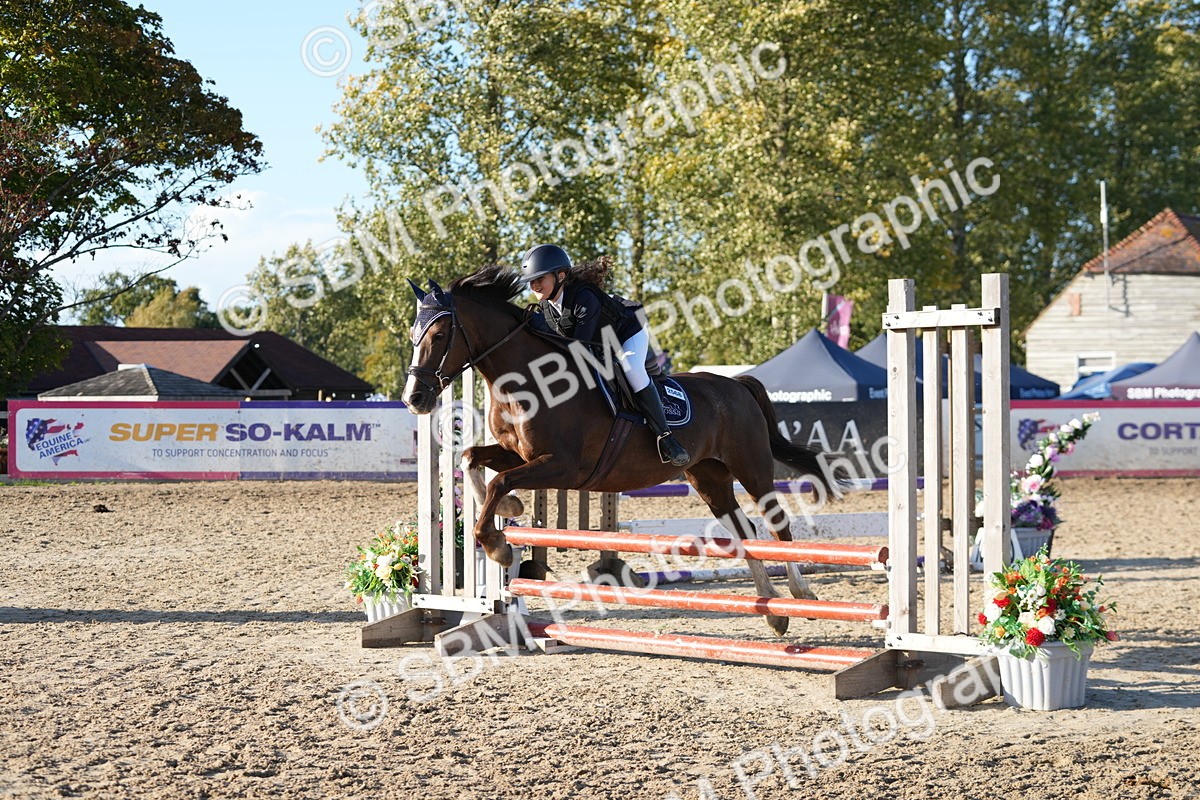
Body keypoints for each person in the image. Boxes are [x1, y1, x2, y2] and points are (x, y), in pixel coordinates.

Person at [519, 243, 690, 467]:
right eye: (531, 281)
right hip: (600, 341)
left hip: (627, 331)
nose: (534, 285)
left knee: (631, 368)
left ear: (560, 276)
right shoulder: (547, 308)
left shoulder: (584, 297)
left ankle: (666, 438)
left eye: (540, 278)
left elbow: (579, 348)